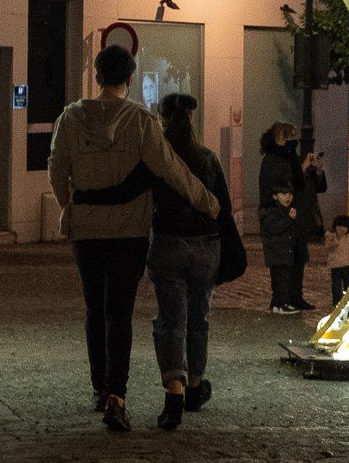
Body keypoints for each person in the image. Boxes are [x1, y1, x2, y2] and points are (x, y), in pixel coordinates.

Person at [48, 45, 219, 433]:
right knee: (119, 312)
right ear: (130, 78)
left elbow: (56, 171)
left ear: (97, 76)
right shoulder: (141, 121)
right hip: (129, 231)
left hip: (87, 230)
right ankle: (117, 396)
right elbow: (171, 170)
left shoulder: (71, 118)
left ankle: (99, 387)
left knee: (95, 307)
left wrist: (70, 206)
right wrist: (207, 202)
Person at [146, 93, 231, 430]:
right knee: (199, 317)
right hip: (205, 248)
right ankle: (195, 385)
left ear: (163, 120)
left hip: (167, 244)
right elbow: (222, 206)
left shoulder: (157, 159)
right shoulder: (207, 158)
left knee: (170, 320)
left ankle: (174, 396)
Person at [258, 122, 326, 314]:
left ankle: (295, 297)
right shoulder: (272, 160)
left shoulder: (290, 157)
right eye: (288, 137)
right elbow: (285, 185)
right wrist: (303, 167)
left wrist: (317, 171)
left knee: (298, 257)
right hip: (281, 215)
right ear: (278, 139)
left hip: (298, 215)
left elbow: (311, 185)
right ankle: (281, 300)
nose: (292, 141)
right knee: (282, 261)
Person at [325, 215, 349, 307]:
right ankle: (337, 303)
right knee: (336, 286)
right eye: (339, 226)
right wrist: (335, 240)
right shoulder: (331, 236)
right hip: (336, 265)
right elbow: (328, 247)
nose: (341, 229)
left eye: (344, 226)